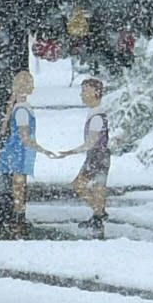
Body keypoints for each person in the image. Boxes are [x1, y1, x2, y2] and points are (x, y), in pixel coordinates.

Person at [63, 75, 112, 234]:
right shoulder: (96, 114)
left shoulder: (97, 117)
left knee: (79, 185)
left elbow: (90, 143)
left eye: (85, 91)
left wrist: (70, 152)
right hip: (100, 156)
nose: (82, 94)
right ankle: (98, 217)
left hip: (96, 156)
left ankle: (99, 214)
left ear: (96, 92)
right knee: (98, 188)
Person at [0, 69, 42, 232]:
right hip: (19, 151)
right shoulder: (21, 109)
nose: (33, 86)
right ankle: (18, 217)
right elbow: (24, 136)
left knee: (19, 185)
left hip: (21, 150)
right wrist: (40, 148)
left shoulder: (22, 107)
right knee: (19, 185)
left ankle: (18, 215)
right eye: (30, 83)